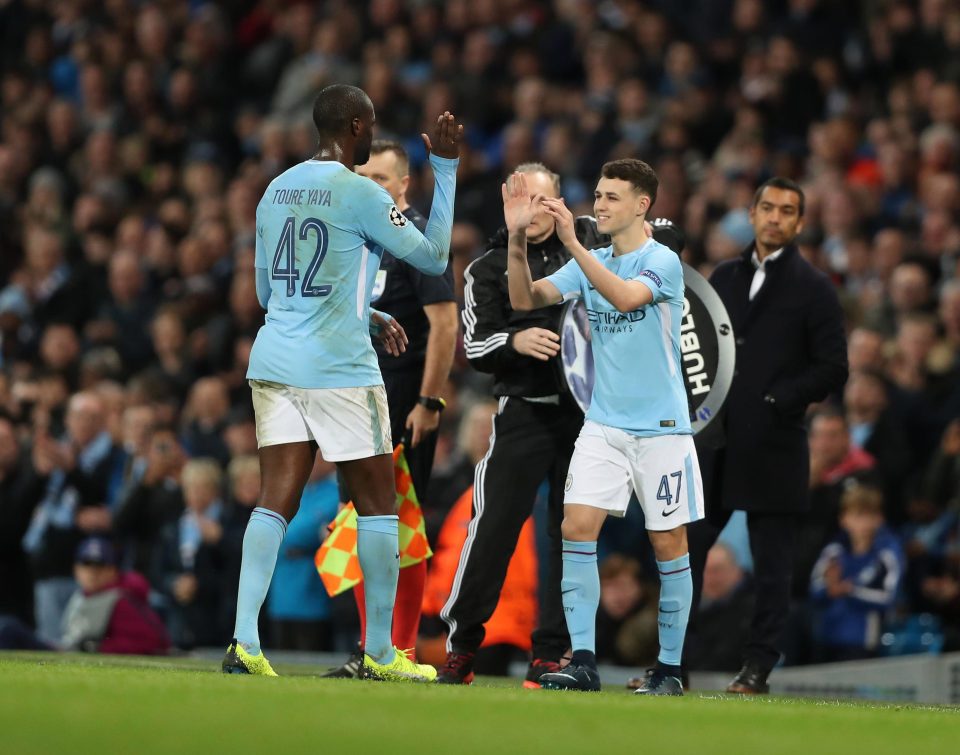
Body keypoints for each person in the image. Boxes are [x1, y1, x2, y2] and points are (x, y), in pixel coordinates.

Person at [222, 84, 462, 682]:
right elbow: (433, 257)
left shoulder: (275, 190)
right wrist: (448, 169)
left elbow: (267, 294)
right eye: (371, 123)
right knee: (380, 506)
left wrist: (367, 311)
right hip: (340, 370)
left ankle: (244, 644)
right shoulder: (359, 192)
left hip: (275, 359)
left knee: (275, 499)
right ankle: (381, 653)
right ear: (356, 126)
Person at [437, 161, 686, 687]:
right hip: (526, 408)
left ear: (561, 203)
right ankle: (462, 647)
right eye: (524, 205)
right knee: (496, 527)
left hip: (599, 415)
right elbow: (490, 331)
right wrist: (514, 339)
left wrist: (582, 238)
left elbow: (650, 252)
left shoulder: (600, 243)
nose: (535, 213)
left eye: (545, 202)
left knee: (573, 533)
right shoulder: (489, 266)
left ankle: (556, 654)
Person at [503, 159, 705, 696]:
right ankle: (584, 661)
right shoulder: (590, 259)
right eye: (597, 193)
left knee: (668, 544)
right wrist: (516, 240)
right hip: (605, 424)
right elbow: (524, 299)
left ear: (643, 205)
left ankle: (669, 670)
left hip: (662, 429)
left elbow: (623, 297)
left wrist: (570, 242)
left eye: (612, 196)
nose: (600, 204)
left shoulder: (662, 261)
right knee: (575, 527)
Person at [687, 177, 848, 694]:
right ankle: (671, 665)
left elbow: (833, 368)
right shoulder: (725, 276)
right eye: (768, 208)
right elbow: (700, 345)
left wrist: (780, 399)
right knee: (684, 555)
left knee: (773, 569)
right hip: (716, 444)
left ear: (800, 223)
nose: (776, 218)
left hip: (775, 446)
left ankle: (756, 670)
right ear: (752, 213)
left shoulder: (815, 288)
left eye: (787, 211)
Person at [324, 140, 458, 677]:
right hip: (354, 402)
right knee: (359, 525)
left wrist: (429, 402)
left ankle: (397, 650)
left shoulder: (414, 239)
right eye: (364, 177)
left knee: (403, 528)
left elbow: (445, 323)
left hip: (402, 404)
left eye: (382, 179)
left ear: (404, 186)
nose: (372, 187)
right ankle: (369, 650)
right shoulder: (353, 239)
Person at [809, 486, 903, 662]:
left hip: (863, 638)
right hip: (827, 634)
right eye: (858, 515)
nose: (863, 523)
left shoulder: (885, 555)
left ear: (879, 519)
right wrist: (829, 589)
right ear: (843, 519)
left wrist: (850, 591)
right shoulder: (833, 552)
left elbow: (888, 597)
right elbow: (814, 590)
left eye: (869, 516)